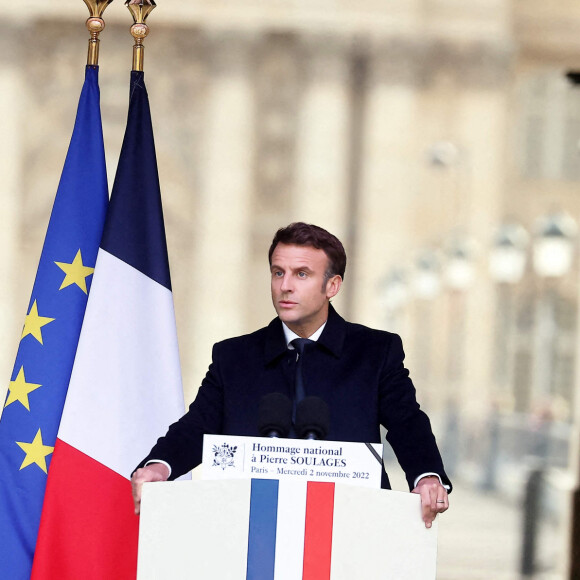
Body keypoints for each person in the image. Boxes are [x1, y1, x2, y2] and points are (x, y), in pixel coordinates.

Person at [132, 222, 451, 527]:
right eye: (278, 272)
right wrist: (160, 465)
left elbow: (407, 422)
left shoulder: (375, 352)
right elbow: (198, 425)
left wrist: (427, 477)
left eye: (302, 274)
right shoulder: (234, 356)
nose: (285, 285)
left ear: (332, 285)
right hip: (248, 529)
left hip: (350, 530)